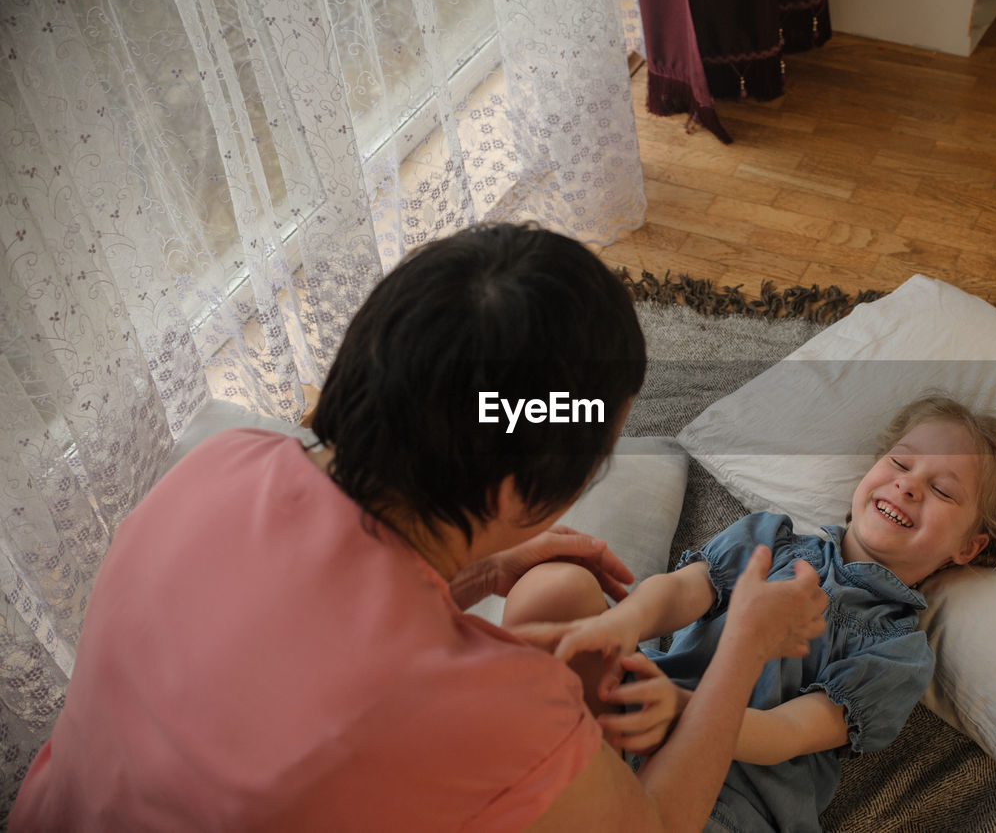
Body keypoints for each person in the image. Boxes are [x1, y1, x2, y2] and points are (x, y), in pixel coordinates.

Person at [9, 223, 828, 831]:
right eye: (601, 443)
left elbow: (303, 635)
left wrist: (483, 574)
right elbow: (652, 825)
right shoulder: (504, 711)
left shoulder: (221, 462)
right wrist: (747, 645)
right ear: (514, 496)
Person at [524, 395, 996, 832]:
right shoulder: (770, 541)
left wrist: (682, 707)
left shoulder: (899, 654)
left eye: (943, 491)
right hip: (633, 724)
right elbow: (679, 593)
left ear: (969, 547)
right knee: (558, 588)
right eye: (900, 464)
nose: (909, 485)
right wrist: (622, 625)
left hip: (726, 802)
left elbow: (788, 735)